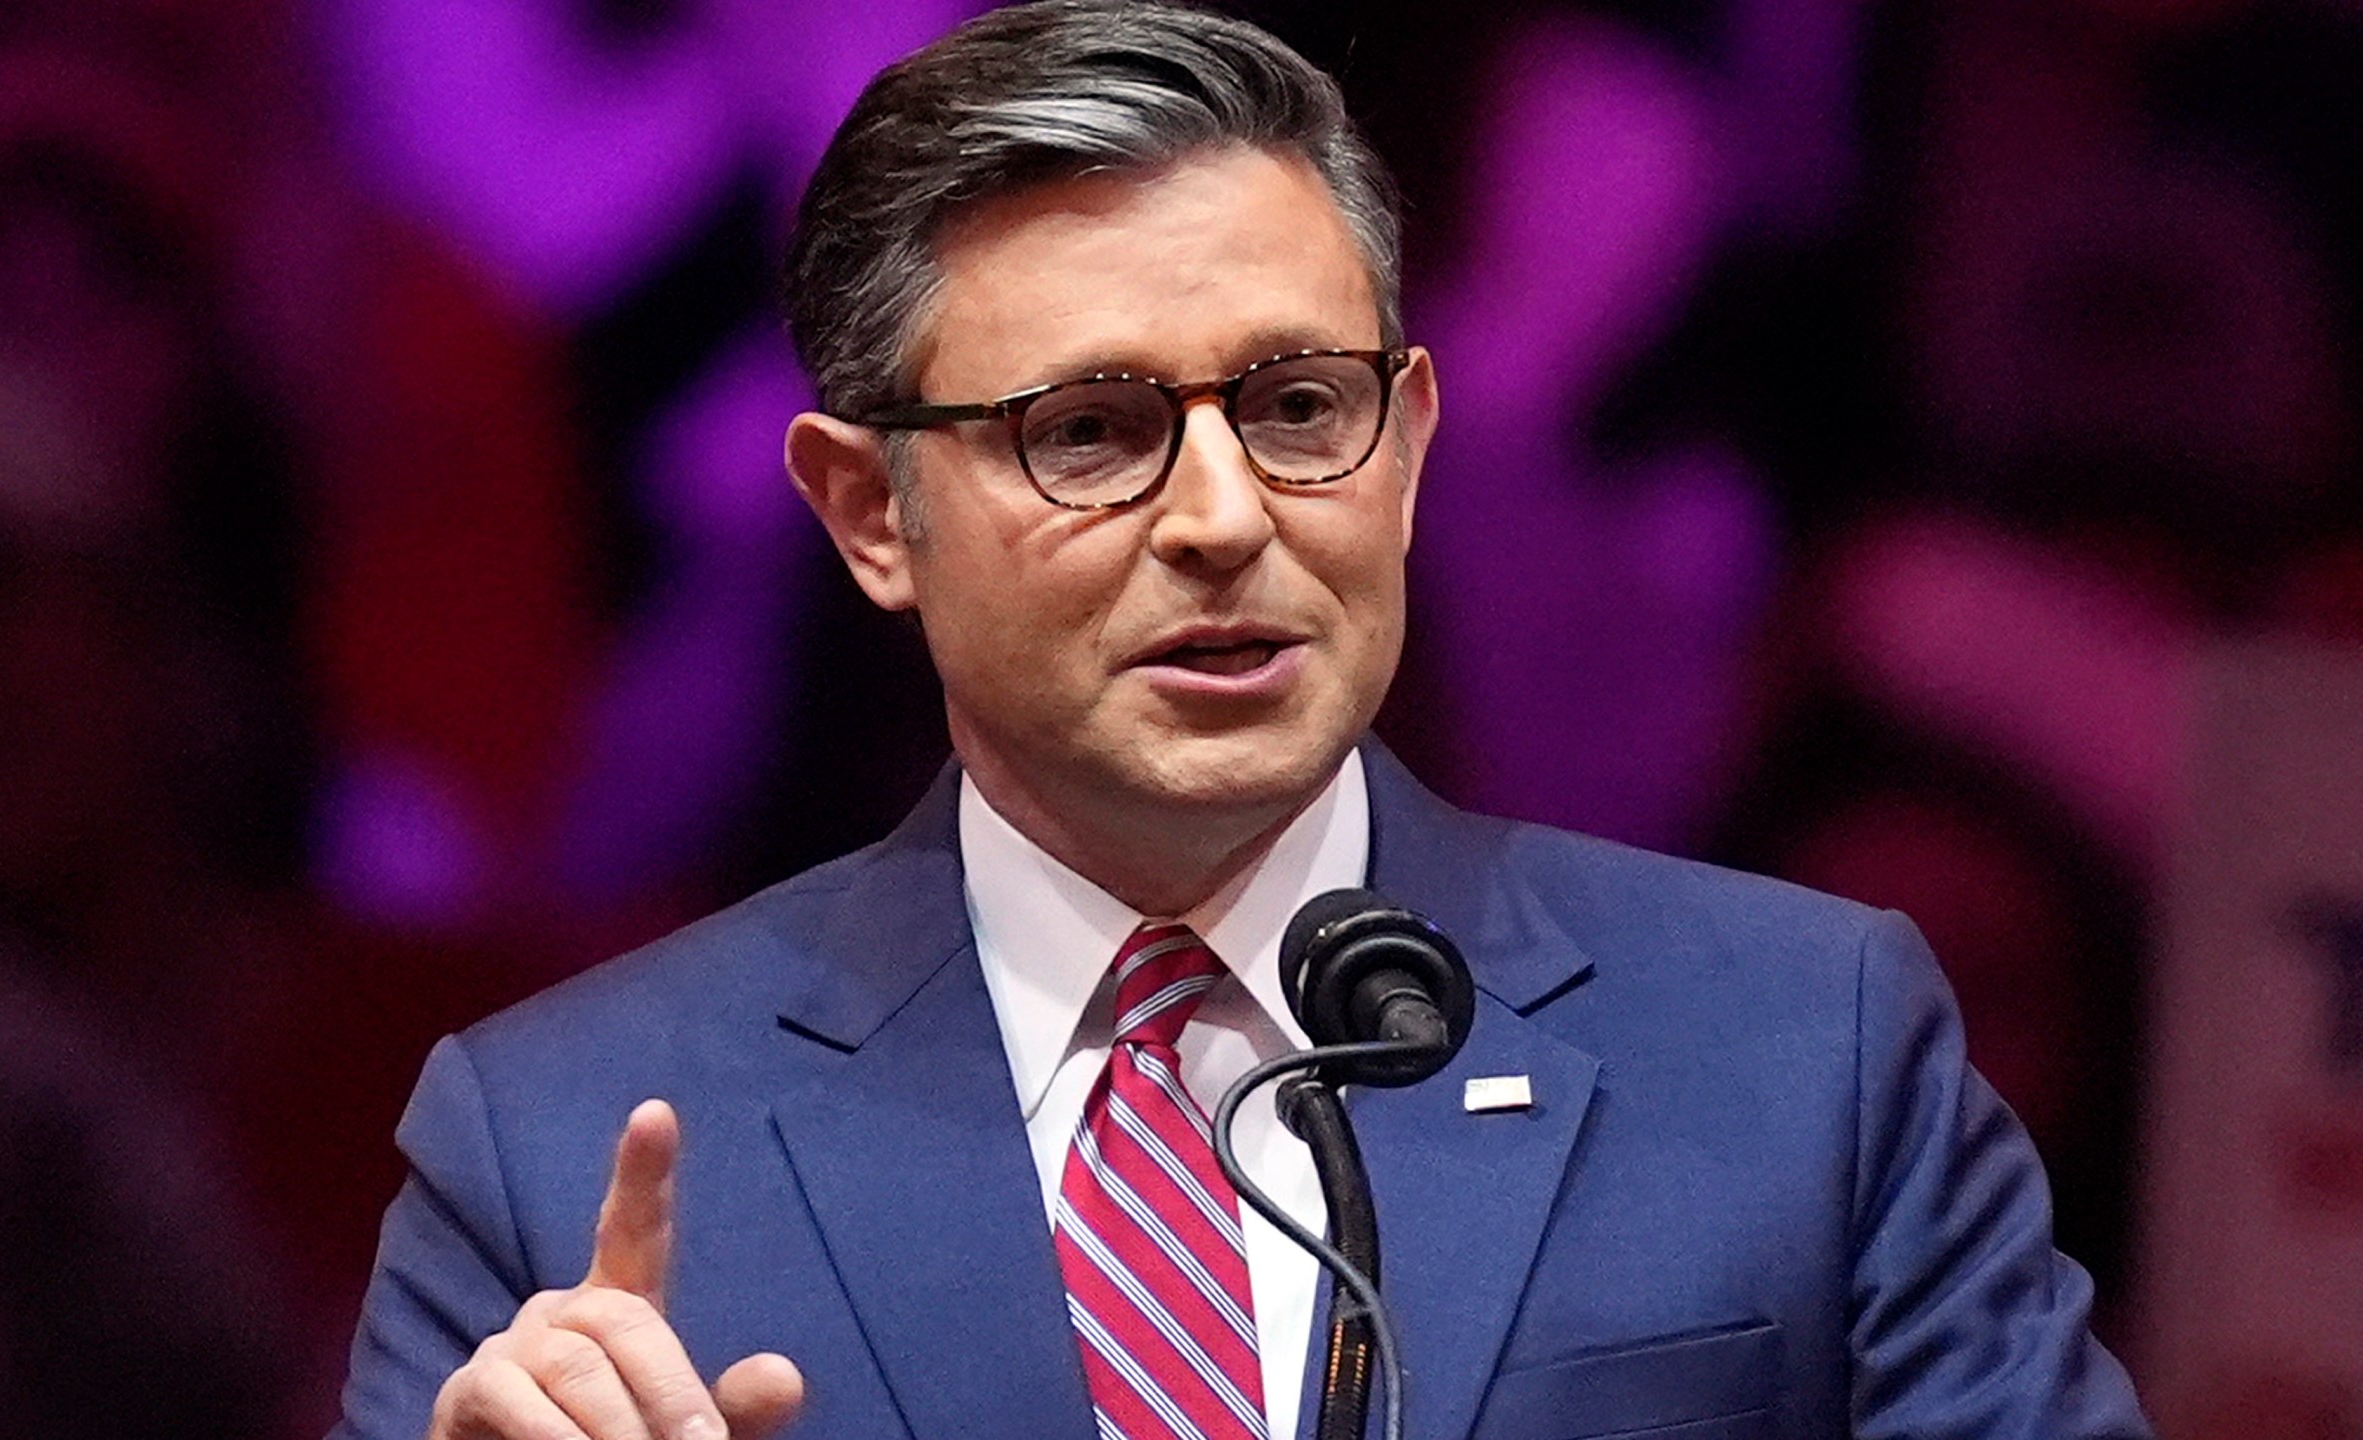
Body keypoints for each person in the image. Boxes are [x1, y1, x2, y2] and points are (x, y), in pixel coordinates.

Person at [332, 4, 2153, 1438]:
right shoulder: (561, 1149)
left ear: (1415, 443)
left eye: (1296, 406)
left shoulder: (1805, 1053)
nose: (1222, 516)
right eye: (1094, 430)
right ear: (873, 515)